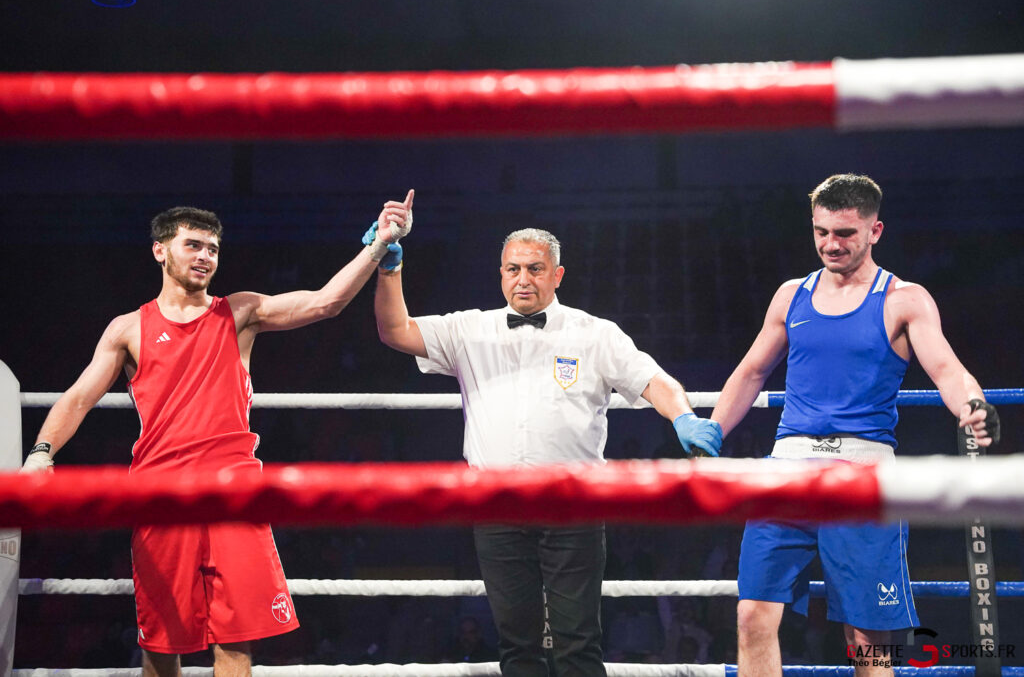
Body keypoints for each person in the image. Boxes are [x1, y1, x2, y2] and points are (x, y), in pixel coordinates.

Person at [19, 193, 413, 677]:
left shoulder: (240, 312)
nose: (205, 256)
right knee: (162, 645)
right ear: (161, 250)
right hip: (160, 493)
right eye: (194, 245)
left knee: (236, 640)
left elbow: (324, 304)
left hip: (235, 493)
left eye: (213, 248)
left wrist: (378, 248)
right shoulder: (129, 329)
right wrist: (41, 452)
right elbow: (79, 397)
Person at [373, 196, 722, 677]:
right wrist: (389, 264)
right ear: (500, 273)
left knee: (578, 644)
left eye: (535, 268)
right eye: (513, 268)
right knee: (517, 647)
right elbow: (394, 330)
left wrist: (683, 417)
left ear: (557, 275)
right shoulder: (469, 330)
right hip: (495, 504)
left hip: (572, 505)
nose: (523, 278)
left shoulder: (594, 334)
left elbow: (655, 380)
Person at [709, 174, 1001, 677]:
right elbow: (752, 371)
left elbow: (948, 370)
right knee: (752, 615)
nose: (830, 243)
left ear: (875, 231)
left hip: (863, 474)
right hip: (788, 468)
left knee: (866, 637)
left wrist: (973, 405)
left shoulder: (904, 299)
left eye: (844, 233)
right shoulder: (789, 296)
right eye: (821, 231)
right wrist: (708, 435)